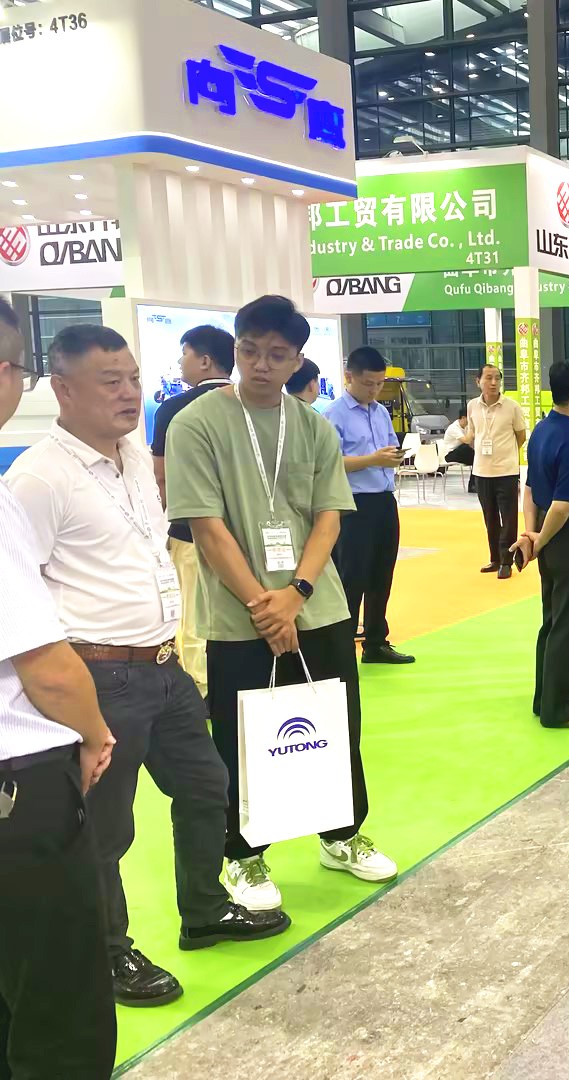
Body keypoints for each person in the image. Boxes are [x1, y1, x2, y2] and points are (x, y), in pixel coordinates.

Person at [8, 324, 290, 1008]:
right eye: (110, 382)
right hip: (99, 675)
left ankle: (204, 911)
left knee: (208, 787)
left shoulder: (135, 455)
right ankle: (107, 956)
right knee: (104, 829)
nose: (129, 392)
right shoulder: (38, 478)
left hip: (165, 665)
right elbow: (21, 589)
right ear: (62, 389)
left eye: (133, 378)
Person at [165, 294, 396, 910]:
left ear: (297, 359)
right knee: (241, 735)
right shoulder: (197, 424)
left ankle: (341, 834)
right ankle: (243, 854)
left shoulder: (313, 426)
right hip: (237, 614)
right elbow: (207, 526)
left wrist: (296, 594)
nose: (261, 365)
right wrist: (263, 605)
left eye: (276, 354)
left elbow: (328, 517)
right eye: (249, 351)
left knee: (334, 725)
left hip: (317, 606)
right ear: (235, 350)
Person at [0, 298, 118, 1078]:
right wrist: (94, 733)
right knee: (59, 1008)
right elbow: (44, 663)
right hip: (17, 788)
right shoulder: (22, 488)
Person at [512, 360, 569, 729]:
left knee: (554, 620)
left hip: (553, 537)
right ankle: (557, 708)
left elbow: (531, 491)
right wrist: (539, 540)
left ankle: (549, 696)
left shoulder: (541, 431)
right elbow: (562, 505)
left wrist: (531, 533)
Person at [152, 324, 235, 700]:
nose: (180, 361)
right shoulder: (252, 405)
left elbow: (162, 477)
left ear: (204, 360)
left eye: (184, 353)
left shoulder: (173, 409)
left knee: (192, 614)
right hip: (247, 531)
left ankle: (203, 691)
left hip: (191, 531)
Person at [327, 346, 413, 666]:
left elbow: (388, 448)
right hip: (353, 505)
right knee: (352, 577)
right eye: (368, 384)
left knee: (382, 574)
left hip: (384, 500)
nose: (374, 390)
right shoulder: (334, 414)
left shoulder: (379, 412)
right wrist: (373, 460)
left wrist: (392, 457)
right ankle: (341, 648)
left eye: (379, 384)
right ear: (349, 376)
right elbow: (330, 463)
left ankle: (376, 642)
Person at [465, 365, 527, 579]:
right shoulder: (472, 406)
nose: (493, 383)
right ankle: (495, 558)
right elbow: (473, 433)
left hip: (506, 471)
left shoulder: (512, 406)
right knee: (489, 517)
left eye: (497, 379)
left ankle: (507, 561)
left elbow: (521, 436)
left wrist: (506, 454)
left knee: (508, 518)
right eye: (488, 378)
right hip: (481, 471)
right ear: (478, 381)